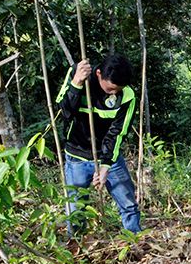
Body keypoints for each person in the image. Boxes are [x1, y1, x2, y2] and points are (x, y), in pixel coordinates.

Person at [56, 53, 141, 237]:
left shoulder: (127, 95)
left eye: (118, 90)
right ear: (99, 74)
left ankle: (135, 240)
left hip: (109, 156)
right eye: (110, 89)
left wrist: (105, 165)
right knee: (76, 210)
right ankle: (76, 248)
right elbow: (65, 112)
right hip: (77, 155)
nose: (114, 94)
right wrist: (77, 83)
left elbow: (117, 133)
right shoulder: (77, 74)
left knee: (127, 202)